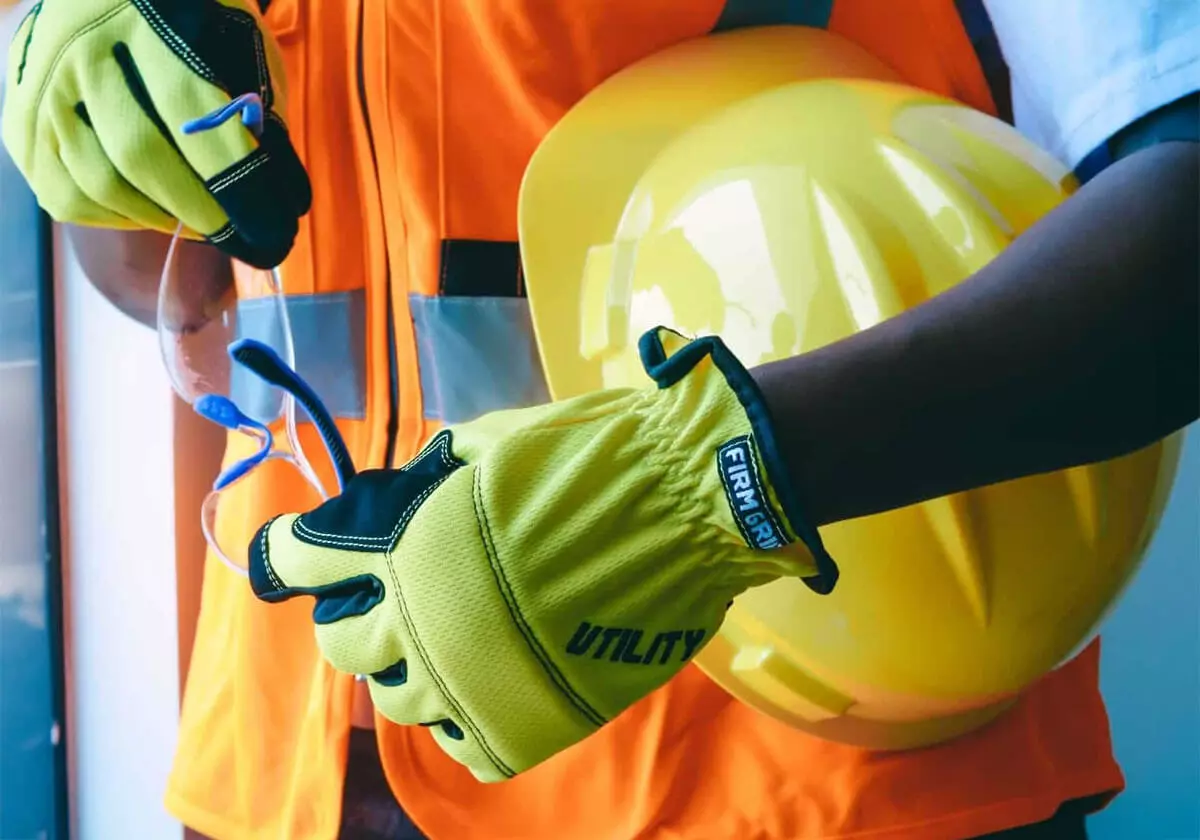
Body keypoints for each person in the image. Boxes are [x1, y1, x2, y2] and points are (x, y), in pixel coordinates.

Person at [4, 2, 1197, 839]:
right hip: (287, 772)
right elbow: (173, 278)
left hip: (790, 772)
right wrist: (86, 111)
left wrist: (709, 486)